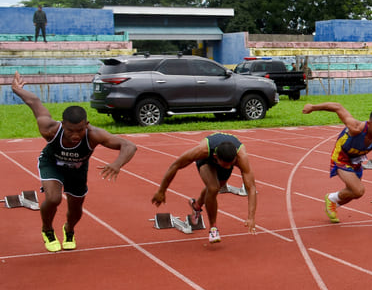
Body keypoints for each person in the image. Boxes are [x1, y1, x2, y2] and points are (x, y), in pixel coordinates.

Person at [11, 71, 137, 251]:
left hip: (77, 170)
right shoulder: (50, 129)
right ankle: (47, 229)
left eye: (80, 130)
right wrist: (17, 89)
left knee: (76, 208)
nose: (75, 135)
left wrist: (117, 164)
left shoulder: (94, 135)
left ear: (86, 125)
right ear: (62, 124)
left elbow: (129, 145)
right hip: (52, 163)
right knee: (54, 199)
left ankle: (69, 229)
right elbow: (35, 103)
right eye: (70, 130)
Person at [152, 133, 257, 244]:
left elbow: (251, 188)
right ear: (216, 157)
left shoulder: (241, 157)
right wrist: (161, 190)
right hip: (206, 161)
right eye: (226, 164)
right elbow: (175, 165)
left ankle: (196, 206)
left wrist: (251, 217)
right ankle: (213, 228)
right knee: (213, 188)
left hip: (224, 158)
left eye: (231, 164)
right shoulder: (202, 151)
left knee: (217, 186)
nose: (228, 167)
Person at [303, 102, 372, 223]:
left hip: (356, 160)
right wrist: (312, 107)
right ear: (369, 124)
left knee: (355, 193)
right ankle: (331, 198)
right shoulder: (356, 127)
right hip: (341, 157)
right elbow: (337, 107)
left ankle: (333, 202)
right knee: (358, 190)